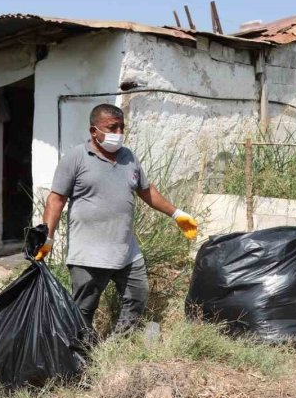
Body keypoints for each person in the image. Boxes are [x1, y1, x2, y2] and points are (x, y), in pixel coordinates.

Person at [36, 104, 198, 338]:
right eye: (112, 127)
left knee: (137, 296)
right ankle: (80, 354)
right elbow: (56, 199)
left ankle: (117, 343)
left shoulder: (129, 157)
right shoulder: (76, 158)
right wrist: (47, 236)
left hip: (125, 250)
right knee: (83, 309)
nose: (119, 133)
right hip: (88, 253)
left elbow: (146, 190)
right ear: (94, 131)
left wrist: (177, 214)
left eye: (122, 127)